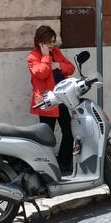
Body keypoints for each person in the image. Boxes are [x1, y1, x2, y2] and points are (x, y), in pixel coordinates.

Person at [28, 25, 76, 174]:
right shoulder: (33, 57)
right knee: (46, 137)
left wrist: (58, 65)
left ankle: (64, 163)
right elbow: (41, 73)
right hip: (46, 102)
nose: (52, 45)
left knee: (69, 132)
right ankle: (45, 167)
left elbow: (71, 68)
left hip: (62, 99)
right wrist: (46, 57)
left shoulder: (56, 52)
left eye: (54, 41)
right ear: (41, 42)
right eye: (50, 42)